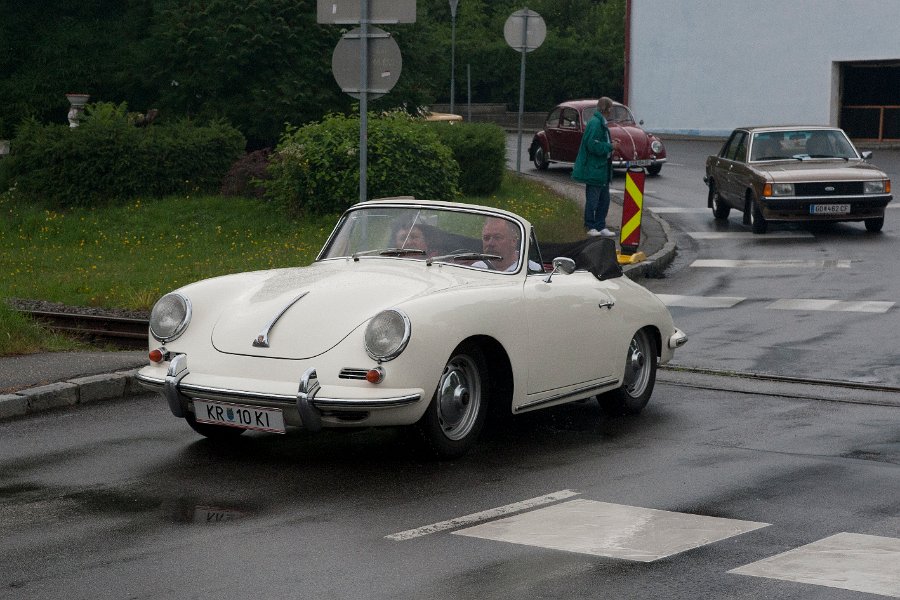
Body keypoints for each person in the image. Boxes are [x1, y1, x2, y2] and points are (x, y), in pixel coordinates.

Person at [572, 97, 620, 237]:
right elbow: (592, 145)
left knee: (604, 200)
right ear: (608, 109)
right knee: (593, 199)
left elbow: (599, 142)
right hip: (594, 168)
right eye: (611, 108)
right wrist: (610, 146)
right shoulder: (595, 123)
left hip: (602, 168)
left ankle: (600, 225)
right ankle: (590, 225)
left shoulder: (601, 123)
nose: (612, 112)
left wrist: (610, 145)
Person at [471, 217, 541, 272]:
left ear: (513, 241)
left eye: (498, 237)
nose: (490, 243)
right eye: (486, 238)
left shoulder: (531, 269)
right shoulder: (476, 268)